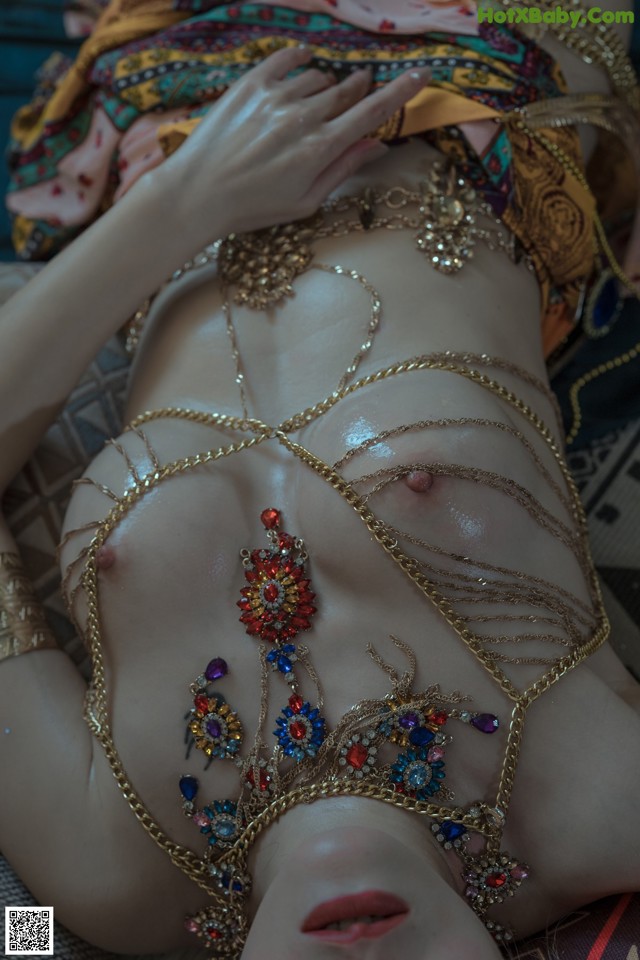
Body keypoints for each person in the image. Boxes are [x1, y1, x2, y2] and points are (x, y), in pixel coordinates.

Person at [1, 3, 640, 958]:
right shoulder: (598, 803)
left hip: (172, 103)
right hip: (492, 73)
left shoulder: (106, 875)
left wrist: (182, 203)